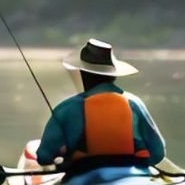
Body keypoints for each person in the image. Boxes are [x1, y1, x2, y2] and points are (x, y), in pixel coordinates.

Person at [35, 38, 166, 168]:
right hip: (133, 176)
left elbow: (44, 157)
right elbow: (158, 154)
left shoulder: (66, 108)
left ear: (82, 73)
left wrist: (62, 156)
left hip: (81, 178)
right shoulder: (135, 103)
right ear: (113, 75)